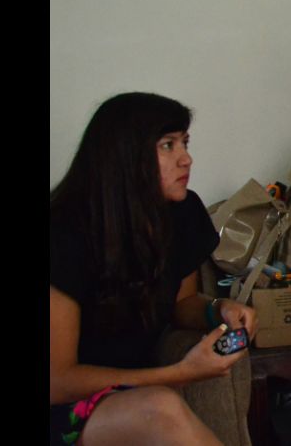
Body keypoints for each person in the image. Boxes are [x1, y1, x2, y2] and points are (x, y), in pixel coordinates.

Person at [50, 92, 259, 445]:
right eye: (167, 145)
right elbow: (57, 381)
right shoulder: (63, 231)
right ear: (125, 156)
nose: (186, 158)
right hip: (66, 404)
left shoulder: (182, 212)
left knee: (160, 405)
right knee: (161, 407)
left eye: (184, 143)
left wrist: (219, 309)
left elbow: (182, 303)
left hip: (132, 393)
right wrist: (179, 373)